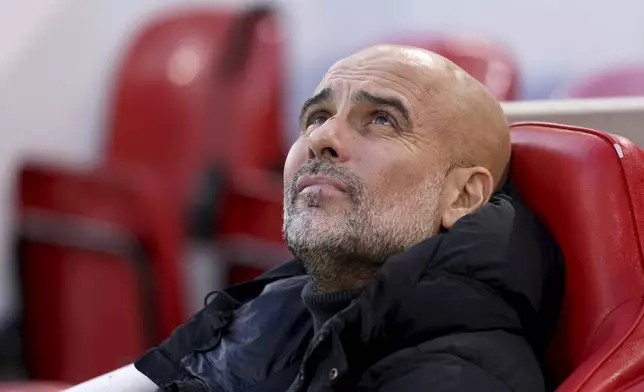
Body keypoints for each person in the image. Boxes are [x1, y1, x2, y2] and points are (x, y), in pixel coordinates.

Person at [66, 45, 563, 392]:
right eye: (316, 117)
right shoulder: (278, 302)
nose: (321, 139)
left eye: (382, 120)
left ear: (463, 196)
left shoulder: (457, 374)